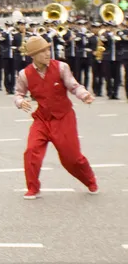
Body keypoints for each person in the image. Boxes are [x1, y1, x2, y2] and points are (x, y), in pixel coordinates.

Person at [14, 36, 98, 200]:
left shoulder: (61, 67)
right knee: (31, 151)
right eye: (42, 51)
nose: (47, 53)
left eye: (48, 49)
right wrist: (20, 101)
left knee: (71, 158)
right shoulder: (25, 74)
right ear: (33, 55)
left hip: (64, 117)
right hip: (42, 119)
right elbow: (18, 93)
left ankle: (90, 180)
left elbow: (73, 86)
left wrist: (84, 95)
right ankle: (33, 188)